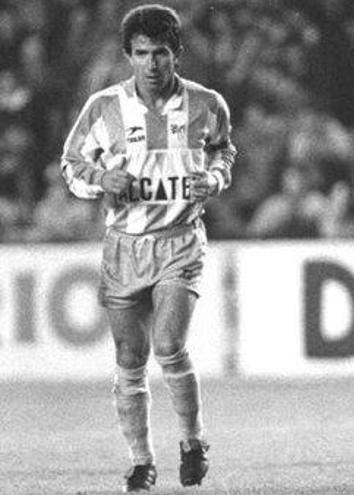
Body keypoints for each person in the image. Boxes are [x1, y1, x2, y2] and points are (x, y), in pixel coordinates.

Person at [60, 4, 235, 491]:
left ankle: (193, 439)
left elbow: (223, 150)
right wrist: (100, 179)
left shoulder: (207, 103)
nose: (151, 64)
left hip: (180, 241)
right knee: (130, 355)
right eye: (141, 54)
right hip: (124, 245)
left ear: (176, 54)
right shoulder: (103, 108)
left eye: (161, 53)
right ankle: (141, 461)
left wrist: (215, 179)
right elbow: (71, 165)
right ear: (128, 56)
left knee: (168, 345)